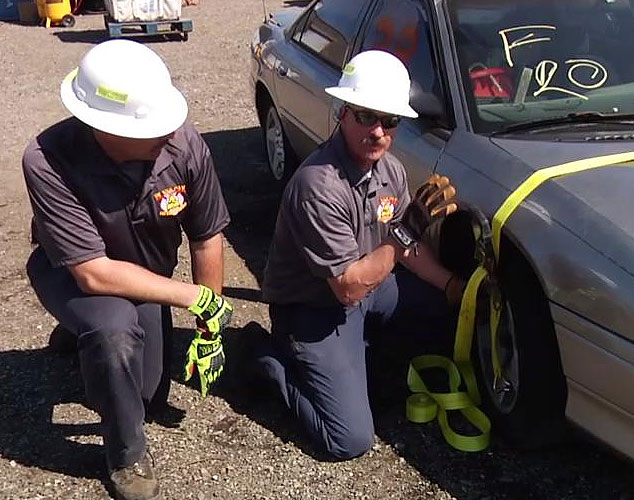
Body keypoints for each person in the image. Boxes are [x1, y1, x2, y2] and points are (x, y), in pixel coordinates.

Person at [22, 39, 233, 500]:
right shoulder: (47, 160)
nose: (166, 132)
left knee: (148, 395)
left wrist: (209, 325)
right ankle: (125, 454)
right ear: (101, 127)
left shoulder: (184, 145)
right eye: (151, 127)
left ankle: (84, 339)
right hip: (76, 271)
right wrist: (193, 297)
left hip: (145, 278)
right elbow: (93, 274)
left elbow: (206, 234)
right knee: (113, 330)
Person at [258, 50, 466, 460]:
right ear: (343, 113)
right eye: (366, 116)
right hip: (314, 309)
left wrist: (451, 285)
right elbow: (348, 289)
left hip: (369, 286)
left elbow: (404, 249)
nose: (378, 132)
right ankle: (268, 359)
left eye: (389, 121)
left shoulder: (391, 171)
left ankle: (366, 357)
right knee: (348, 440)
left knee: (441, 307)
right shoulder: (318, 186)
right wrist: (406, 229)